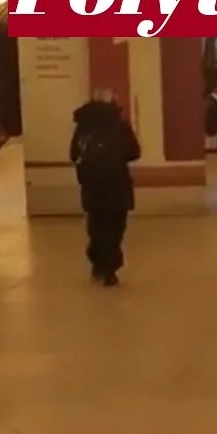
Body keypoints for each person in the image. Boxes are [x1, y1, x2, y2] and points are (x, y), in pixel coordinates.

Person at [70, 91, 141, 287]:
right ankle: (110, 268)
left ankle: (99, 264)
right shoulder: (121, 125)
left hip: (92, 184)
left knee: (96, 226)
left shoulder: (83, 127)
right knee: (115, 228)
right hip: (118, 183)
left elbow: (73, 154)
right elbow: (135, 152)